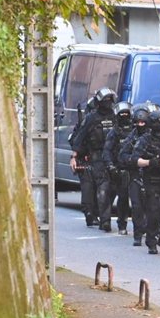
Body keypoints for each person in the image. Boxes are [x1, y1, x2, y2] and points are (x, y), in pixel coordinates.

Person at [131, 109, 160, 254]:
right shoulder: (145, 139)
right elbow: (134, 159)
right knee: (154, 213)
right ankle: (151, 241)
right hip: (151, 180)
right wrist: (150, 162)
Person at [70, 88, 117, 232]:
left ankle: (101, 215)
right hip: (94, 158)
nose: (108, 103)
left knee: (111, 189)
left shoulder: (115, 117)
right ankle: (98, 217)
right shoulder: (91, 118)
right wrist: (74, 157)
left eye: (110, 100)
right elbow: (79, 138)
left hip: (112, 157)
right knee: (93, 188)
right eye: (105, 101)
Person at [118, 104, 155, 246]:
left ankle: (151, 231)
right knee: (136, 205)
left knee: (152, 206)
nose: (140, 125)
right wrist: (133, 161)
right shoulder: (132, 137)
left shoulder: (154, 137)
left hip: (151, 176)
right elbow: (123, 155)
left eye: (143, 122)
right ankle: (138, 234)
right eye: (138, 122)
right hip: (135, 175)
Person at [103, 101, 134, 235]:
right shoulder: (114, 132)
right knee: (112, 196)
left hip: (131, 168)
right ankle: (107, 221)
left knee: (129, 198)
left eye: (127, 114)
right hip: (116, 168)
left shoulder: (135, 131)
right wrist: (110, 165)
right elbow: (107, 150)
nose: (125, 116)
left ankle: (126, 224)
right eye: (123, 114)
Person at [70, 95, 99, 227]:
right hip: (85, 160)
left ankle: (97, 213)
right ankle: (89, 213)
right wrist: (75, 157)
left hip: (98, 160)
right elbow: (75, 141)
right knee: (88, 187)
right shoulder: (84, 124)